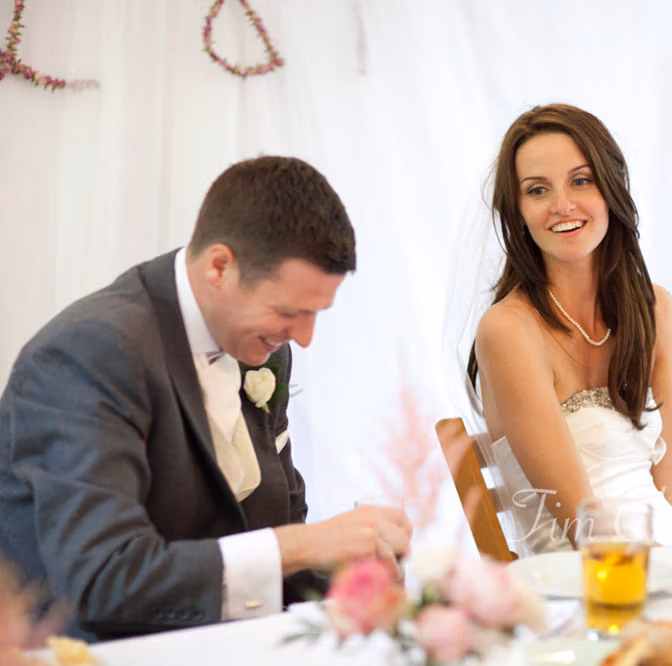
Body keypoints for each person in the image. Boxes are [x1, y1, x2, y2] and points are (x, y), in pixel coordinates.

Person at [0, 156, 412, 641]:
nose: (304, 338)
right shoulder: (92, 352)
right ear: (220, 266)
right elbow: (104, 577)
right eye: (288, 311)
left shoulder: (262, 347)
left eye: (316, 313)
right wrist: (301, 546)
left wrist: (348, 581)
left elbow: (275, 520)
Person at [466, 104, 672, 555]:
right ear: (518, 213)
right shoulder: (509, 330)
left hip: (669, 563)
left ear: (611, 189)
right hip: (582, 584)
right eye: (537, 190)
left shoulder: (654, 308)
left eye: (581, 180)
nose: (562, 205)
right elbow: (583, 525)